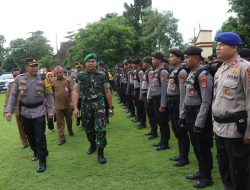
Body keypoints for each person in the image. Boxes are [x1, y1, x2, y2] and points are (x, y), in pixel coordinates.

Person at [213, 32, 250, 190]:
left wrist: (249, 132)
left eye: (222, 44)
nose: (217, 47)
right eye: (217, 44)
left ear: (234, 47)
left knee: (239, 172)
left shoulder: (245, 68)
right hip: (219, 129)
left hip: (236, 131)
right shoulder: (220, 69)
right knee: (224, 168)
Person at [5, 58, 55, 173]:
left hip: (39, 110)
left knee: (40, 136)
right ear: (26, 67)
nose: (35, 68)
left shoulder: (43, 79)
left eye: (36, 66)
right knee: (30, 135)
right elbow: (13, 96)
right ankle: (36, 152)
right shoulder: (19, 79)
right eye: (32, 66)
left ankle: (42, 160)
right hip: (25, 112)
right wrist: (9, 111)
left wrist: (51, 110)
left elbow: (48, 95)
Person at [179, 46, 214, 188]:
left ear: (197, 58)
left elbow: (206, 100)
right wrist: (183, 115)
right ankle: (201, 171)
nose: (185, 60)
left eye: (187, 57)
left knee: (203, 147)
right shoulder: (191, 73)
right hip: (190, 112)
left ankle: (207, 177)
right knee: (196, 145)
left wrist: (199, 122)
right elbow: (187, 96)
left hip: (200, 115)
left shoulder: (203, 74)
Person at [72, 53, 114, 164]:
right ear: (85, 63)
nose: (91, 63)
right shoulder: (80, 76)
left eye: (93, 61)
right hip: (85, 106)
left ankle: (101, 152)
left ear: (96, 63)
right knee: (89, 129)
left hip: (99, 105)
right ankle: (93, 145)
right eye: (88, 61)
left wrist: (111, 107)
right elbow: (76, 91)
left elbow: (107, 91)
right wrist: (75, 107)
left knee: (100, 129)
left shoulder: (102, 75)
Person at [167, 49, 190, 167]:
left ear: (179, 59)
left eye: (172, 56)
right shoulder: (173, 71)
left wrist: (182, 112)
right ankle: (181, 154)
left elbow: (182, 93)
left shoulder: (181, 72)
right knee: (176, 130)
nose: (170, 58)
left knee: (181, 132)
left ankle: (184, 157)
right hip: (171, 102)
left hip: (177, 103)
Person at [148, 52, 170, 151]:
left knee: (163, 122)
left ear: (159, 60)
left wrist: (163, 104)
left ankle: (165, 143)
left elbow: (164, 89)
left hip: (161, 99)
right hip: (155, 99)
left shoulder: (163, 72)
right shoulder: (156, 71)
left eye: (153, 59)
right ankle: (162, 141)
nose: (152, 61)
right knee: (160, 121)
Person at [4, 68, 29, 149]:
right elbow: (8, 98)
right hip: (17, 110)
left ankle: (33, 139)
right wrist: (6, 110)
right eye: (14, 75)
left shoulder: (26, 82)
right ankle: (24, 142)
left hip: (28, 109)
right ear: (12, 75)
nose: (16, 76)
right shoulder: (11, 85)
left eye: (17, 75)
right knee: (20, 127)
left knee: (29, 126)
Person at [52, 66, 74, 145]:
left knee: (69, 120)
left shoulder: (68, 80)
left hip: (67, 104)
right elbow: (51, 93)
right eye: (57, 73)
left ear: (62, 72)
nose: (58, 74)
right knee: (60, 122)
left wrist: (72, 102)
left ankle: (70, 130)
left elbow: (72, 91)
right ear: (55, 73)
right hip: (58, 105)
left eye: (60, 72)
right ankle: (61, 138)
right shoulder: (53, 81)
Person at [140, 57, 158, 139]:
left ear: (148, 63)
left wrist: (148, 97)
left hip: (148, 94)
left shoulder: (150, 72)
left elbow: (151, 85)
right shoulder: (147, 71)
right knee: (149, 114)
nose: (143, 64)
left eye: (144, 62)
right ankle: (152, 130)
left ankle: (154, 132)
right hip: (145, 94)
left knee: (151, 114)